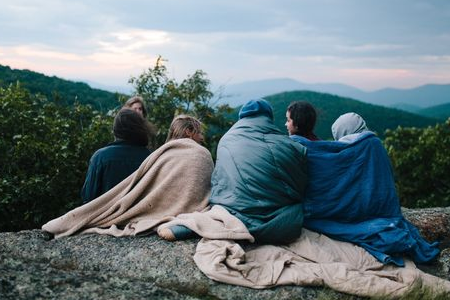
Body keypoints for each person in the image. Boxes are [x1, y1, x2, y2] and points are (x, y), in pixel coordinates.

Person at [290, 112, 439, 266]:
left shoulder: (351, 148)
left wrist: (295, 142)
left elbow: (327, 162)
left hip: (353, 212)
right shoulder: (374, 143)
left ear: (342, 131)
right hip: (383, 211)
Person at [159, 99, 308, 244]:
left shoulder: (226, 140)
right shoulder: (290, 145)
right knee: (297, 208)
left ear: (243, 117)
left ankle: (190, 227)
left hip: (234, 215)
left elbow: (218, 181)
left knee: (221, 210)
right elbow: (300, 185)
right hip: (279, 226)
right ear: (268, 117)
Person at [43, 114, 213, 238]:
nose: (202, 137)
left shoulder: (102, 156)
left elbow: (89, 196)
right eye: (200, 133)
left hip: (117, 214)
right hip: (173, 214)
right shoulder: (151, 154)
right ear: (190, 132)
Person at [81, 108, 153, 204]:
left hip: (106, 217)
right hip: (140, 217)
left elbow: (88, 197)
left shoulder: (100, 157)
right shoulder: (150, 157)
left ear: (115, 130)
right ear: (141, 129)